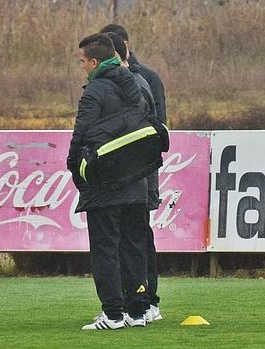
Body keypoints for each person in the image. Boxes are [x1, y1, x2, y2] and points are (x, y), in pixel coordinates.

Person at [67, 33, 152, 330]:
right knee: (134, 248)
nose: (82, 67)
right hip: (136, 180)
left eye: (82, 62)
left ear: (94, 61)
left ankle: (113, 314)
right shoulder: (138, 87)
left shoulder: (95, 92)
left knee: (105, 249)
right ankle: (138, 311)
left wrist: (74, 168)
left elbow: (82, 134)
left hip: (105, 183)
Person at [101, 24, 167, 322]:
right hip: (124, 176)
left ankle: (147, 300)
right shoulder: (112, 82)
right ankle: (132, 302)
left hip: (139, 173)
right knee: (127, 239)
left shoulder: (145, 79)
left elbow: (157, 128)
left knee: (139, 238)